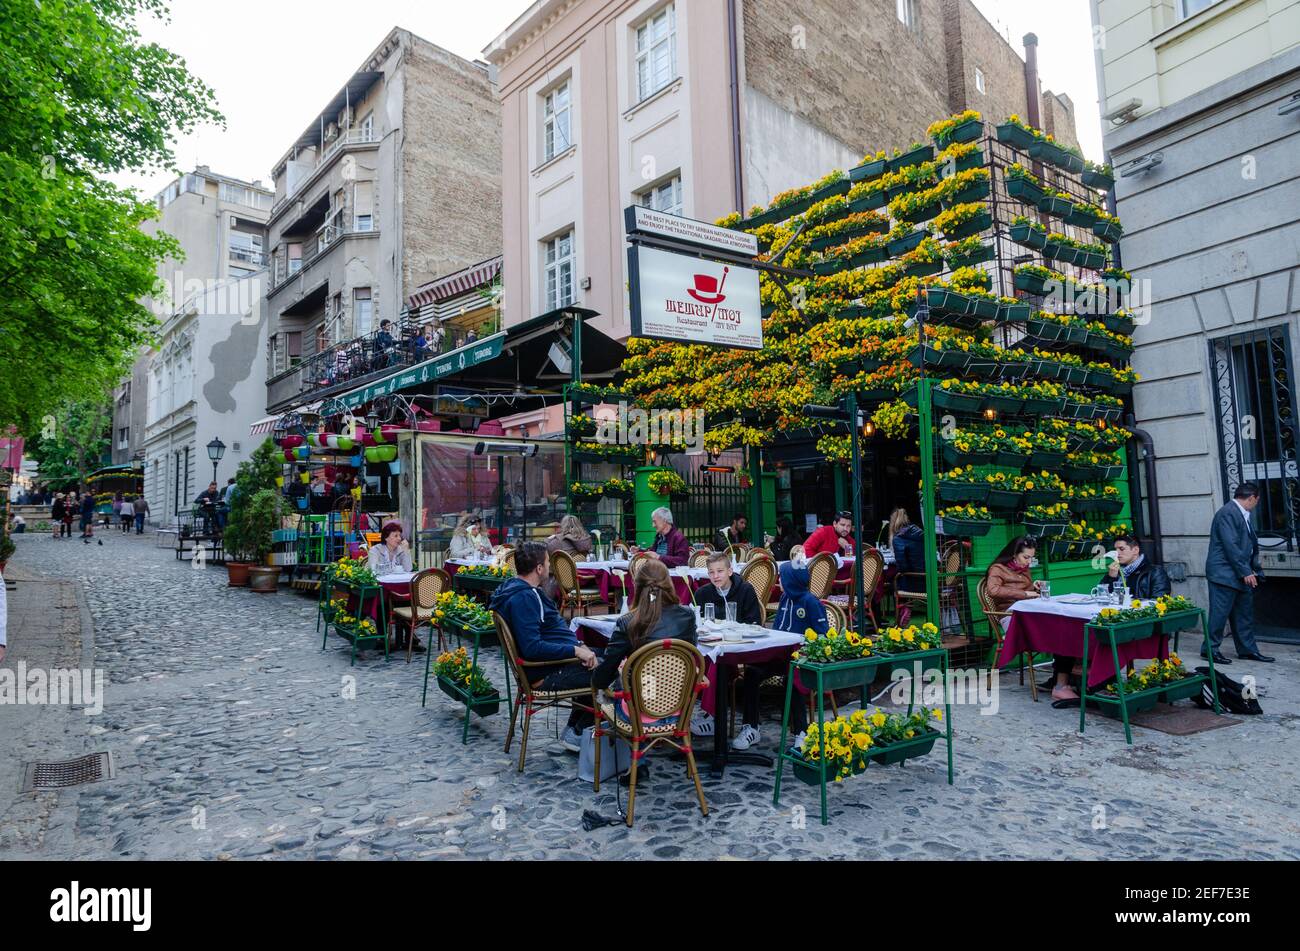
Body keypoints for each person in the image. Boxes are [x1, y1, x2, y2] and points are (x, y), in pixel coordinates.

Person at [489, 542, 600, 752]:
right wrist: (575, 650)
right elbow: (532, 647)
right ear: (539, 568)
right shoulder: (523, 598)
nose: (550, 567)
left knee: (598, 656)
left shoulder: (518, 590)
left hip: (547, 665)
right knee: (606, 669)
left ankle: (573, 731)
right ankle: (579, 732)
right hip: (544, 673)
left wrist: (577, 645)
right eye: (548, 562)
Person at [984, 536, 1077, 700]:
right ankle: (1061, 684)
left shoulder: (1023, 570)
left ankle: (1059, 680)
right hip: (1010, 616)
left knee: (1065, 630)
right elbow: (993, 591)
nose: (1028, 562)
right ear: (1014, 554)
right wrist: (1024, 593)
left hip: (1028, 613)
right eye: (1025, 557)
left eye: (1032, 558)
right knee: (1061, 634)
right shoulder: (997, 569)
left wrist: (1034, 586)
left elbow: (1027, 591)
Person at [691, 552, 767, 749]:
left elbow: (755, 624)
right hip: (713, 647)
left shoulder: (745, 590)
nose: (716, 576)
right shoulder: (703, 594)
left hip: (742, 649)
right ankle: (712, 717)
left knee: (752, 672)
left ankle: (751, 726)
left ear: (730, 571)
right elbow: (696, 623)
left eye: (720, 571)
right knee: (696, 662)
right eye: (711, 572)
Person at [1204, 482, 1273, 664]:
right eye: (1256, 501)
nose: (1256, 505)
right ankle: (1210, 650)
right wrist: (1245, 571)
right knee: (1219, 614)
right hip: (1224, 574)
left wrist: (1251, 569)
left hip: (1239, 572)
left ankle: (1247, 650)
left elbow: (1244, 544)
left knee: (1244, 615)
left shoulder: (1241, 513)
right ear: (1252, 498)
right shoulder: (1227, 512)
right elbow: (1230, 546)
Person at [1100, 534, 1170, 600]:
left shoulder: (1155, 571)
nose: (1117, 553)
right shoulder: (1115, 571)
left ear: (1135, 550)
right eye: (1115, 549)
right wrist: (1110, 578)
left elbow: (1159, 601)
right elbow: (1101, 596)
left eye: (1121, 549)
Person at [890, 508, 926, 625]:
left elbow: (903, 567)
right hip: (929, 580)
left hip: (914, 584)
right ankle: (906, 606)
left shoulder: (898, 538)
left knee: (896, 579)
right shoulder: (921, 534)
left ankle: (904, 608)